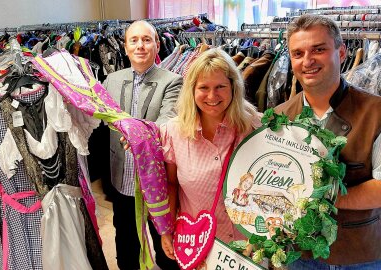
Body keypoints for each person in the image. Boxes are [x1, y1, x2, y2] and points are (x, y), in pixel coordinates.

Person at [275, 14, 381, 269]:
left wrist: (324, 199)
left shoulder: (376, 112)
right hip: (300, 256)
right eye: (298, 53)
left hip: (359, 255)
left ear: (342, 52)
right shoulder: (279, 117)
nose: (307, 61)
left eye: (319, 50)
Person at [159, 48, 260, 260]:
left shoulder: (254, 125)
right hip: (201, 242)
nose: (212, 96)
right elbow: (171, 184)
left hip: (250, 244)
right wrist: (166, 229)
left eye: (220, 87)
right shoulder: (174, 132)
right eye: (203, 87)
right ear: (192, 90)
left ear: (233, 87)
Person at [103, 20, 182, 269]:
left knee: (163, 242)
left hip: (155, 181)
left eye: (146, 40)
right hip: (122, 177)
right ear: (124, 47)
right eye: (134, 40)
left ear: (157, 45)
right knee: (125, 239)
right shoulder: (111, 80)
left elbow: (166, 123)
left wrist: (137, 136)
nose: (140, 46)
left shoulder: (173, 81)